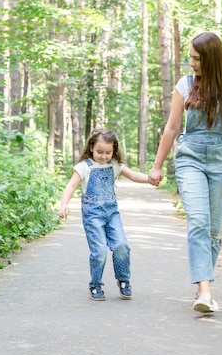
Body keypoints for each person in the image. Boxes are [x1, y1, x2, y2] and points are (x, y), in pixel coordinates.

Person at [148, 32, 222, 313]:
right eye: (190, 57)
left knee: (214, 231)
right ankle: (205, 289)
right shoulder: (185, 84)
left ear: (211, 59)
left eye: (195, 58)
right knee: (198, 221)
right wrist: (157, 165)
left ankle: (202, 285)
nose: (190, 63)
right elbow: (172, 127)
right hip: (190, 157)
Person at [59, 128, 154, 301]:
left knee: (122, 246)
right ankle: (95, 284)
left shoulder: (114, 165)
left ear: (114, 150)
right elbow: (71, 186)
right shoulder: (83, 167)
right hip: (92, 215)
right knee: (100, 251)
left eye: (108, 152)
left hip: (112, 214)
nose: (103, 156)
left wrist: (149, 178)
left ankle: (123, 279)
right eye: (99, 152)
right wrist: (64, 203)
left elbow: (133, 175)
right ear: (91, 148)